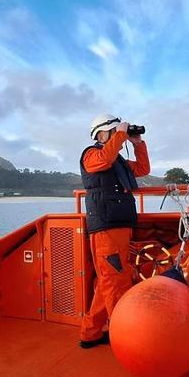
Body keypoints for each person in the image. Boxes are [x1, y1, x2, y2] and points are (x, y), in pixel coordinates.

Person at [78, 113, 150, 348]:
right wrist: (120, 133)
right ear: (101, 133)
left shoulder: (118, 161)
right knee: (115, 282)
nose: (121, 132)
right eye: (115, 130)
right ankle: (124, 337)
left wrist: (137, 143)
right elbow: (103, 160)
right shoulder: (91, 154)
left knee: (109, 281)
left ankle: (91, 333)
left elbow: (142, 168)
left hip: (120, 225)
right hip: (106, 228)